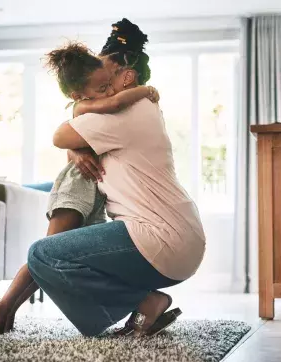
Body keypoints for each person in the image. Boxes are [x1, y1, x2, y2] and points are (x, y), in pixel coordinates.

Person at [26, 18, 206, 337]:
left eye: (106, 78)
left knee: (43, 252)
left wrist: (80, 126)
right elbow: (74, 141)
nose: (101, 90)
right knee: (64, 250)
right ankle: (141, 306)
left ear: (127, 76)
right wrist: (79, 152)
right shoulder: (139, 109)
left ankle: (146, 302)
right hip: (177, 237)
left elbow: (60, 136)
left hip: (159, 237)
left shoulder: (125, 112)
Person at [0, 41, 159, 336]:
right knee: (49, 249)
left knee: (61, 254)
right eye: (102, 87)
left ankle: (6, 307)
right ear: (77, 95)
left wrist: (78, 151)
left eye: (108, 85)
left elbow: (83, 142)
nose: (108, 91)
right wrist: (145, 91)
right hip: (77, 184)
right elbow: (110, 107)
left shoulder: (92, 102)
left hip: (94, 189)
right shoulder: (86, 105)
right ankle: (3, 305)